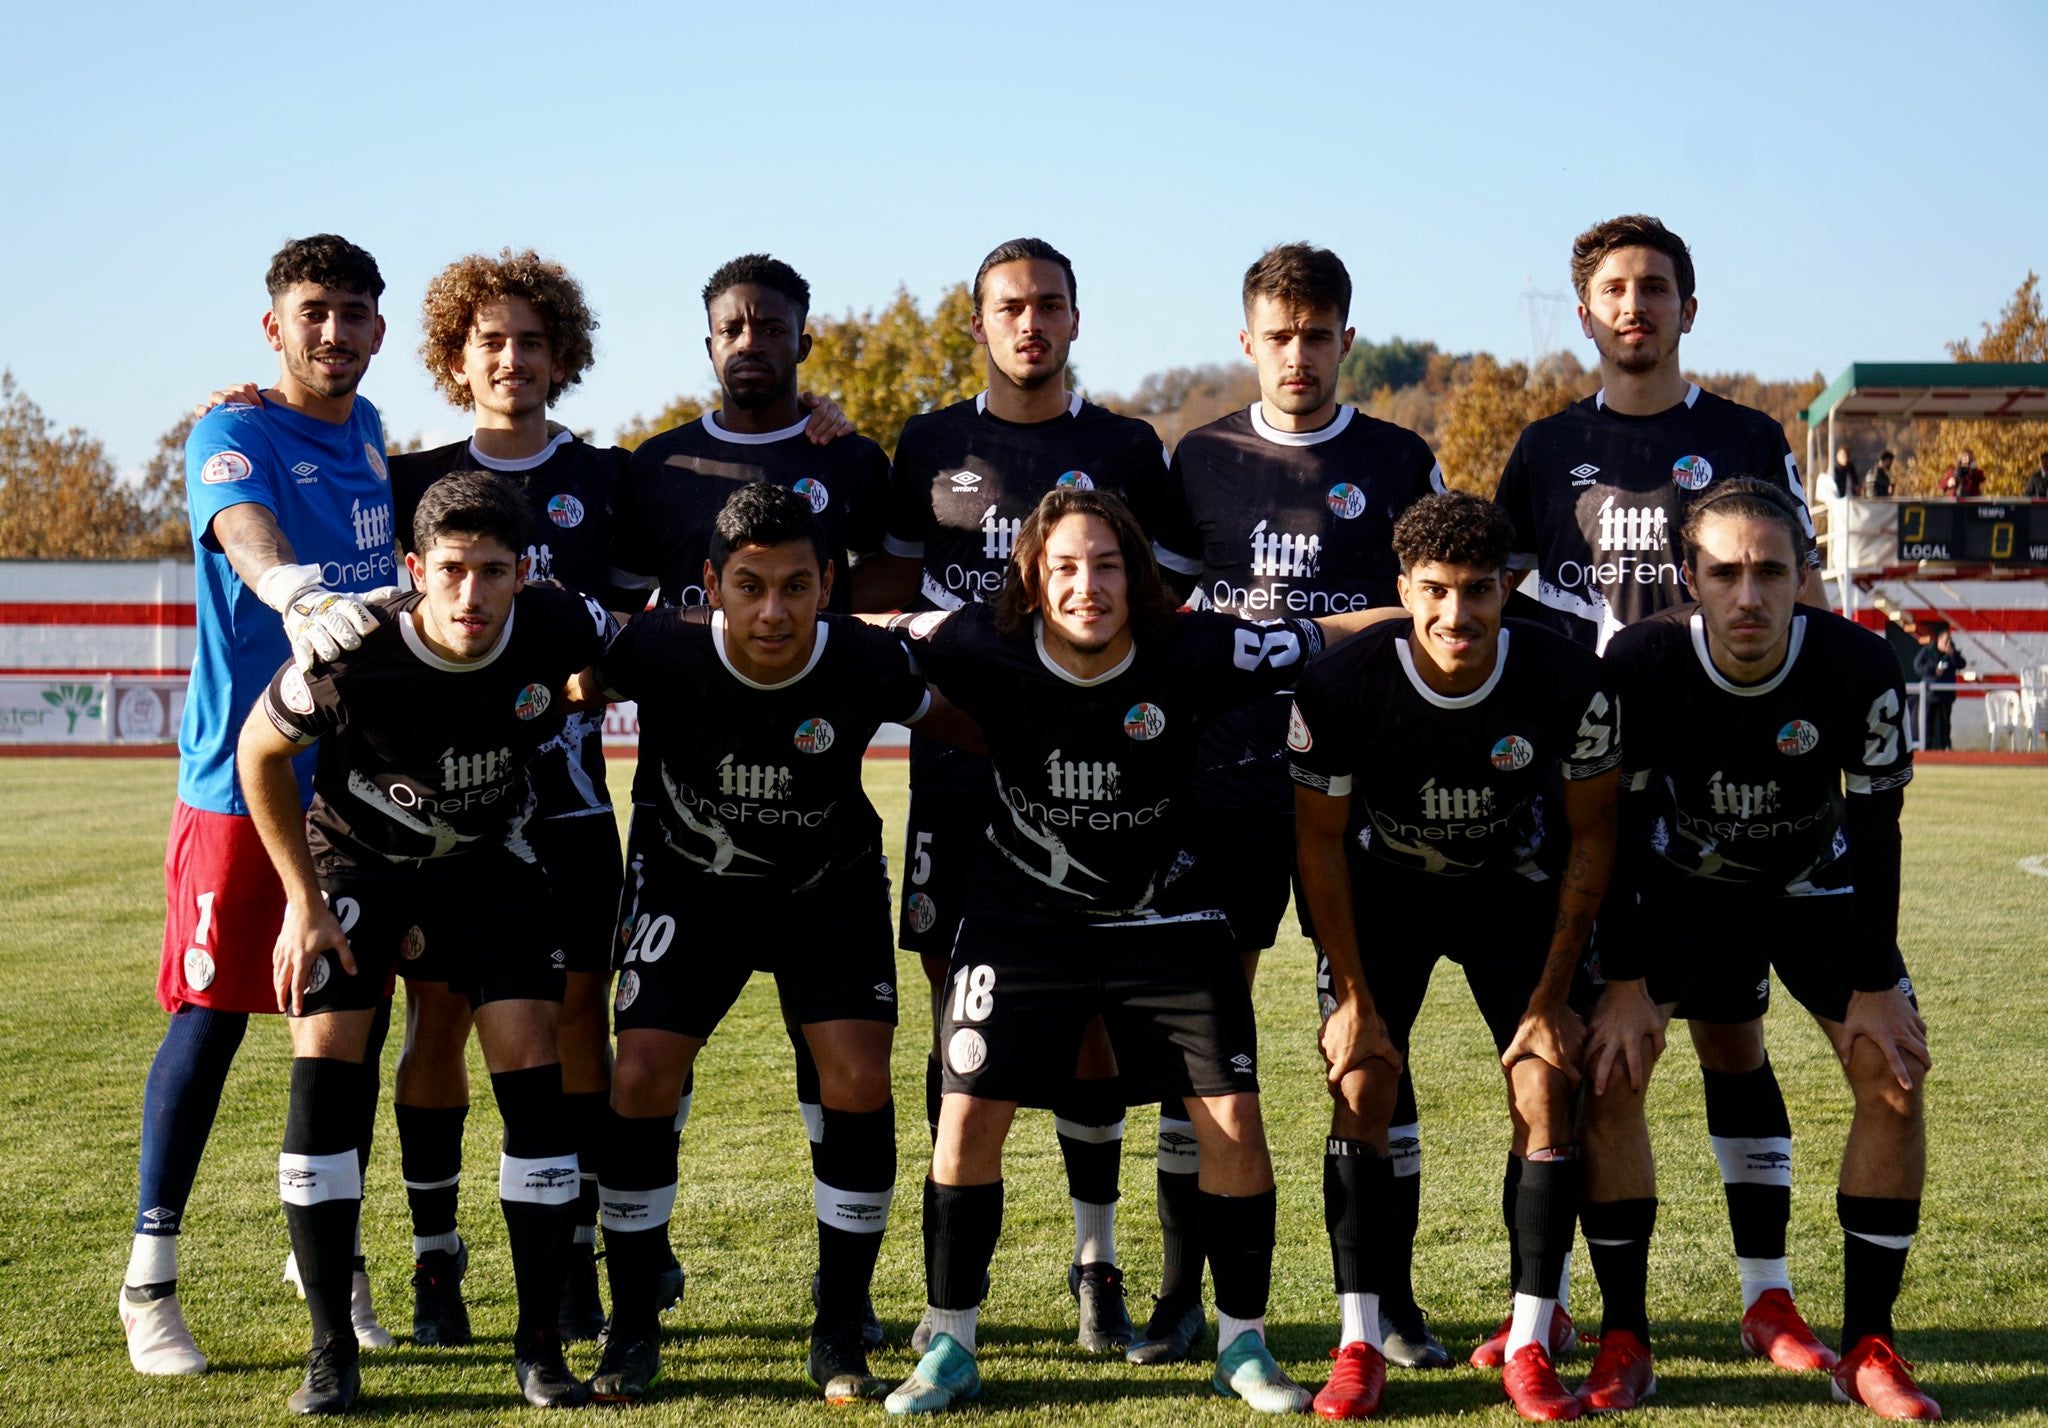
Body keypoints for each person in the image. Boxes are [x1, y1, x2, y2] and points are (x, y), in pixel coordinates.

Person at [877, 486, 1378, 1416]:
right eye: (1064, 567)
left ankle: (1243, 1346)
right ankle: (948, 1344)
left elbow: (1331, 631)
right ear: (1032, 578)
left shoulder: (1195, 648)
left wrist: (1436, 616)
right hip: (1020, 916)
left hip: (1169, 914)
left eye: (1105, 565)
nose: (1086, 586)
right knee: (967, 1115)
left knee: (1232, 1117)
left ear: (1135, 575)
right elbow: (859, 627)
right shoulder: (976, 643)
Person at [1490, 214, 1831, 1374]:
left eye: (1654, 288)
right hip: (1583, 789)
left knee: (1731, 1033)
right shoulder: (1541, 450)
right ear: (1582, 312)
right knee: (1577, 1049)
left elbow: (1801, 593)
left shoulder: (1742, 435)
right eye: (1612, 290)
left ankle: (1765, 1296)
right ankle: (1553, 1304)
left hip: (1713, 784)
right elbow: (1508, 607)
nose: (1632, 307)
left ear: (1690, 308)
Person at [237, 472, 614, 1412]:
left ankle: (538, 1346)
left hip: (491, 865)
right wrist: (301, 901)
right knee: (326, 1062)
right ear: (415, 569)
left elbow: (623, 660)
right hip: (359, 868)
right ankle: (331, 1348)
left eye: (494, 572)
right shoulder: (354, 650)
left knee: (533, 1062)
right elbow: (259, 752)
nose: (472, 594)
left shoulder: (558, 623)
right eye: (451, 571)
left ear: (522, 573)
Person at [1141, 242, 1448, 1369]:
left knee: (1369, 1044)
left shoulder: (1397, 457)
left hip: (1355, 789)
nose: (1297, 355)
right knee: (1197, 1041)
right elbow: (1165, 618)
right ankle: (1182, 1297)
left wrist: (1325, 635)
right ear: (1246, 342)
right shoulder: (1200, 455)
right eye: (1278, 335)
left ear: (1344, 341)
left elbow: (1427, 618)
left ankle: (1390, 1299)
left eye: (1317, 335)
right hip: (1220, 785)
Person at [578, 483, 952, 1406]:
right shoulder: (658, 647)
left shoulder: (867, 659)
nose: (773, 610)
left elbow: (969, 723)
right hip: (687, 887)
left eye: (795, 585)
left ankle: (840, 1324)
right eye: (749, 586)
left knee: (859, 1078)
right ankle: (631, 1326)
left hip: (825, 888)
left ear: (829, 584)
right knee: (640, 1074)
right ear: (709, 585)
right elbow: (571, 685)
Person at [1576, 477, 1937, 1420]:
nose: (1748, 595)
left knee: (1893, 1074)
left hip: (1812, 888)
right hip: (1681, 890)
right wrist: (1622, 981)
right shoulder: (1642, 663)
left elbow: (1880, 829)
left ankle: (1867, 1346)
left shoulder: (1859, 667)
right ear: (1687, 577)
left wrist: (1872, 984)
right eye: (1725, 572)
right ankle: (1625, 1339)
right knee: (1610, 1070)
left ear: (1805, 576)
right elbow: (1611, 826)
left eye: (1770, 572)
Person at [871, 237, 1173, 1354]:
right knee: (961, 1021)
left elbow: (1160, 610)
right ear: (978, 323)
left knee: (1091, 1021)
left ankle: (1095, 1262)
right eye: (1010, 307)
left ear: (1075, 319)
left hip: (1091, 786)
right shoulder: (930, 444)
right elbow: (894, 593)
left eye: (1049, 305)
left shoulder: (1128, 447)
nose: (1030, 324)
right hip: (958, 771)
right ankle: (951, 1293)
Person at [123, 235, 400, 1376]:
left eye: (351, 313)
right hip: (240, 786)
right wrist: (286, 586)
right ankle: (150, 1278)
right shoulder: (229, 429)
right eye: (312, 311)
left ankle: (324, 1257)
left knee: (343, 1022)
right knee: (213, 1018)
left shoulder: (375, 433)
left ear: (378, 330)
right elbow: (244, 529)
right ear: (272, 326)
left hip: (358, 785)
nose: (332, 332)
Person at [1290, 492, 1620, 1422]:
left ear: (1508, 589)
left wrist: (1554, 996)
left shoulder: (1566, 681)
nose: (1456, 615)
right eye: (1434, 591)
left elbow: (1594, 834)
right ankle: (1357, 1342)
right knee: (1360, 1081)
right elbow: (1316, 843)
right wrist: (1351, 996)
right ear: (1402, 590)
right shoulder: (1340, 684)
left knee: (1547, 1082)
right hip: (1381, 895)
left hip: (1512, 891)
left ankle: (1528, 1342)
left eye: (1479, 591)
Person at [383, 248, 645, 1348]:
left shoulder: (611, 476)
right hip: (444, 817)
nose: (511, 357)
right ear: (455, 355)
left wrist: (600, 669)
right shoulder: (406, 476)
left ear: (561, 354)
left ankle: (571, 1247)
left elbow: (639, 629)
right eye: (488, 339)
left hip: (573, 800)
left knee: (581, 1017)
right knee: (437, 1017)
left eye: (531, 340)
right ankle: (436, 1261)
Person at [1912, 629, 1965, 751]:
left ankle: (1946, 747)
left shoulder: (1952, 653)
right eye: (1946, 641)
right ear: (1939, 641)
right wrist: (1934, 670)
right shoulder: (1928, 651)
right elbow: (1917, 666)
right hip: (1930, 694)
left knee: (1945, 724)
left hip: (1946, 694)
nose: (1948, 643)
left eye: (1950, 641)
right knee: (1928, 724)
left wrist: (1952, 655)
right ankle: (1927, 748)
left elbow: (1962, 664)